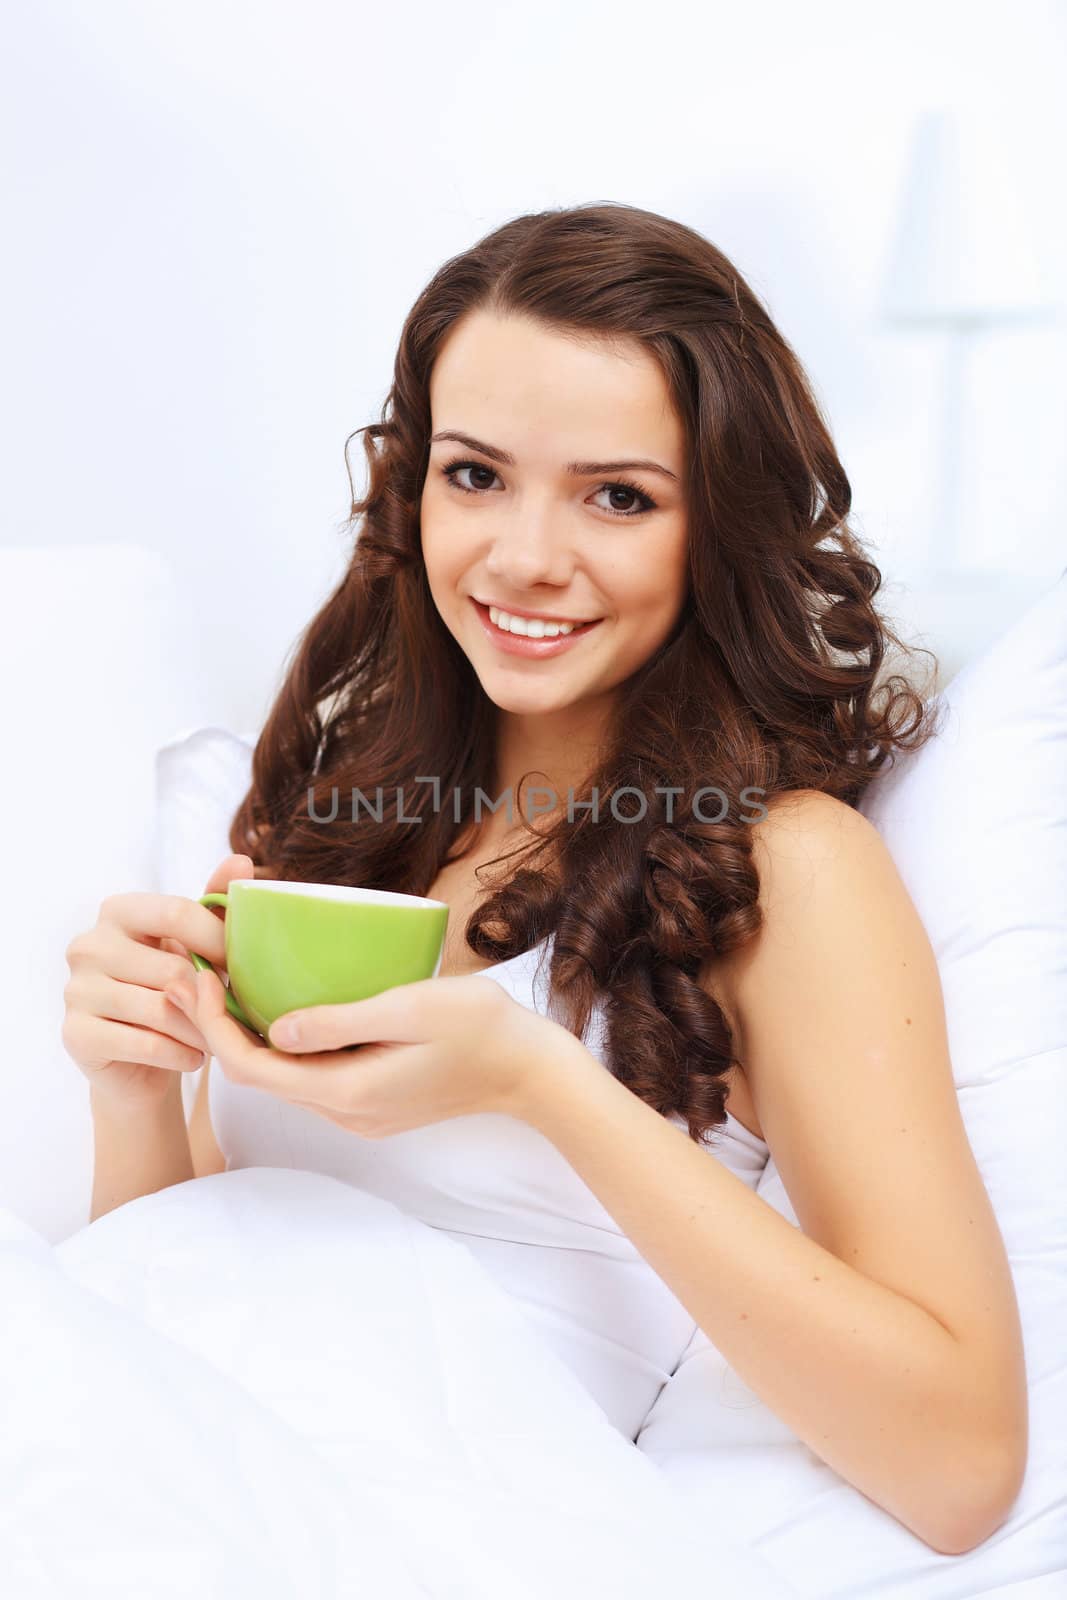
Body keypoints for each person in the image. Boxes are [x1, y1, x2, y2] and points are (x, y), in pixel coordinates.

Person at [62, 201, 1027, 1558]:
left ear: (719, 528)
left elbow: (960, 1459)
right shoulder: (352, 823)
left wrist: (537, 1080)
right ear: (412, 487)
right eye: (475, 476)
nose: (523, 556)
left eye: (617, 496)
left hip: (433, 1531)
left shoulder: (787, 868)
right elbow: (187, 1285)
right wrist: (138, 1091)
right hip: (180, 1467)